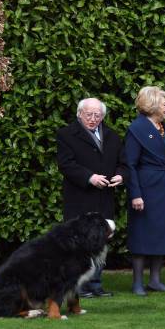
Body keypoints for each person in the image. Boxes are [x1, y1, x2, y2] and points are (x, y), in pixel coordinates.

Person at [56, 97, 128, 298]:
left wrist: (121, 176)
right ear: (80, 114)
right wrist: (90, 177)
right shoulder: (66, 135)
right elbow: (66, 164)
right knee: (78, 246)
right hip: (79, 199)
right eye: (89, 114)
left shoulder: (112, 136)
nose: (93, 118)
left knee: (101, 244)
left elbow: (124, 162)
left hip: (104, 199)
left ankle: (96, 285)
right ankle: (79, 288)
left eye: (97, 115)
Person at [125, 86, 165, 296]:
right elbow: (130, 164)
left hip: (164, 187)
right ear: (153, 105)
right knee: (142, 234)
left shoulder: (163, 127)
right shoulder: (136, 129)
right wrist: (135, 194)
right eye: (164, 104)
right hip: (146, 188)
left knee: (161, 234)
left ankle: (155, 280)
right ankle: (137, 283)